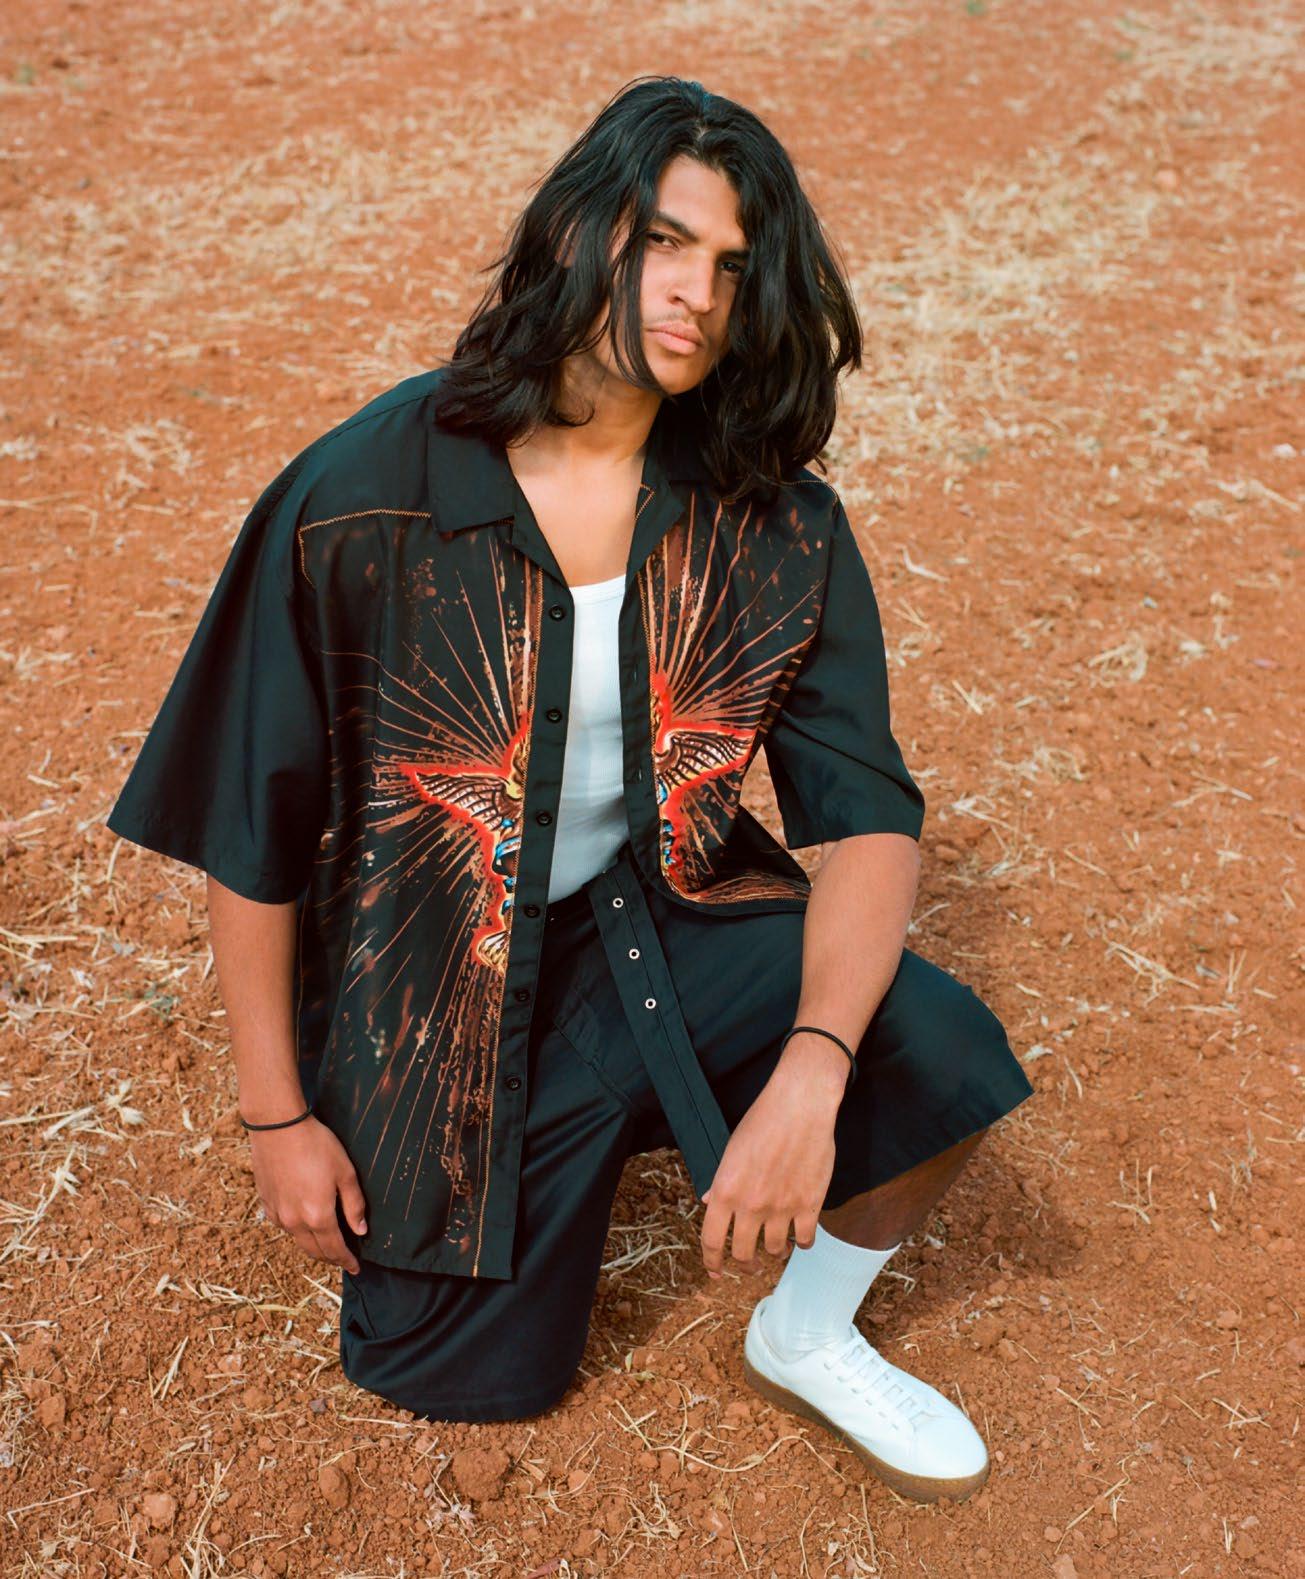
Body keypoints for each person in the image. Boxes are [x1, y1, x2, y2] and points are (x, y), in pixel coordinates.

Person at [106, 74, 1034, 1504]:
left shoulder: (774, 521)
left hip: (663, 922)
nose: (696, 296)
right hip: (431, 980)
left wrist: (811, 1072)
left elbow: (865, 818)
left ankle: (803, 1334)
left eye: (733, 268)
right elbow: (254, 829)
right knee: (458, 1378)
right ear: (576, 230)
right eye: (663, 242)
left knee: (938, 1052)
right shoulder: (362, 497)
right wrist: (277, 1116)